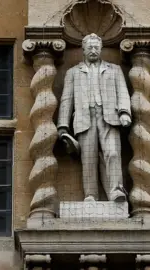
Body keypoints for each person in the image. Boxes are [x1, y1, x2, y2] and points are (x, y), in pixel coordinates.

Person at [57, 33, 132, 202]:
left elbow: (123, 93)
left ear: (101, 49)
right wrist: (63, 126)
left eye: (96, 47)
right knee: (88, 158)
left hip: (109, 117)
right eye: (89, 47)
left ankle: (116, 190)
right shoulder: (73, 72)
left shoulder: (114, 69)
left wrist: (125, 112)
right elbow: (66, 99)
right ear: (83, 50)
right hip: (84, 118)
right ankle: (90, 194)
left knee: (113, 153)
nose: (93, 50)